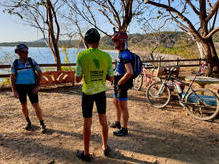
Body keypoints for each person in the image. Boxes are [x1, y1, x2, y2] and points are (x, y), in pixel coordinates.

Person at [75, 28, 114, 162]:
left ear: (86, 41)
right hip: (101, 92)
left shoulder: (82, 55)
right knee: (103, 120)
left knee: (87, 122)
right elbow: (111, 78)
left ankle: (86, 153)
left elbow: (78, 79)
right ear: (98, 41)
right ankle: (105, 147)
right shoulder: (107, 56)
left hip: (88, 93)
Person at [10, 44, 46, 133]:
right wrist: (14, 90)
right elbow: (12, 77)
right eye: (24, 52)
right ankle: (28, 122)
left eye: (27, 51)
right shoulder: (15, 63)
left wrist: (38, 86)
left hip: (32, 86)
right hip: (20, 87)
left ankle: (42, 123)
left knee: (36, 105)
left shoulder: (31, 61)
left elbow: (40, 73)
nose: (26, 53)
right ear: (18, 53)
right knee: (24, 105)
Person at [110, 30, 133, 136]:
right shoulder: (121, 53)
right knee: (116, 102)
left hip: (122, 84)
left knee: (123, 106)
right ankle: (117, 122)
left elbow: (129, 72)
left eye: (115, 41)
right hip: (117, 82)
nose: (113, 43)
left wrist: (119, 82)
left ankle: (124, 129)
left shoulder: (126, 54)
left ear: (121, 41)